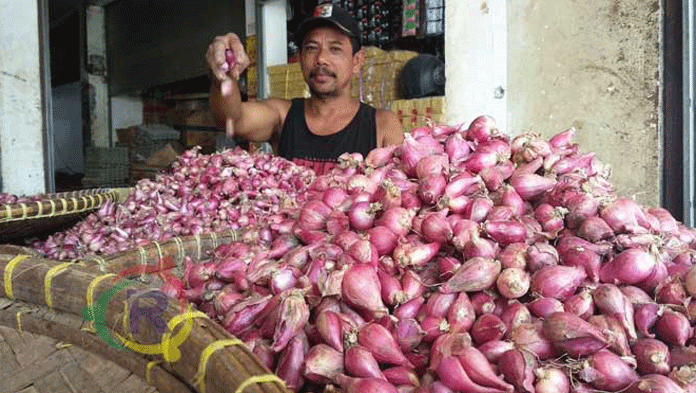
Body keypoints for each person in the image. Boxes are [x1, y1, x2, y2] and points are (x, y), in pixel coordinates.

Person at [206, 4, 404, 175]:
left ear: (357, 61)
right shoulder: (283, 116)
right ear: (300, 58)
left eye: (335, 49)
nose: (321, 59)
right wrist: (222, 76)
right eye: (311, 48)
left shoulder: (382, 126)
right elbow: (231, 119)